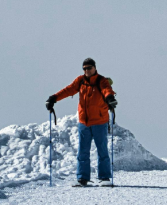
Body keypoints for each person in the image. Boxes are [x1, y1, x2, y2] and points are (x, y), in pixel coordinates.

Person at [46, 58, 117, 186]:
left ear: (95, 68)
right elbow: (68, 90)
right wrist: (54, 98)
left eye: (89, 68)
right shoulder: (80, 81)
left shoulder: (102, 81)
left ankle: (104, 178)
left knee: (102, 150)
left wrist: (110, 98)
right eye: (84, 68)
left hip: (100, 121)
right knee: (82, 151)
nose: (86, 70)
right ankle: (82, 179)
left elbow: (107, 90)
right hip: (83, 122)